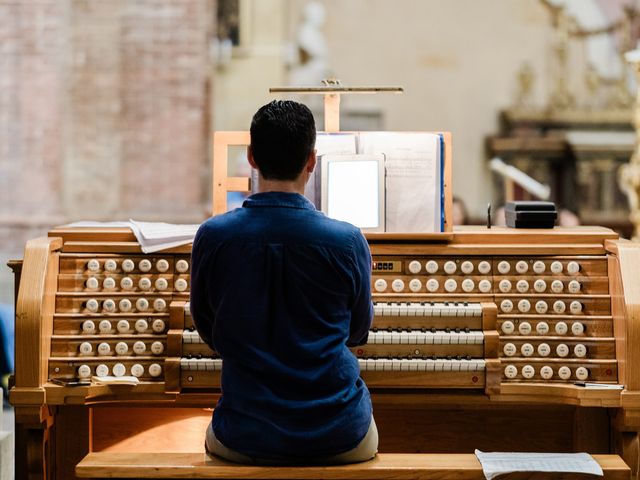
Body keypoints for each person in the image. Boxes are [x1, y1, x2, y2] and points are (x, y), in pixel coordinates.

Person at [190, 100, 377, 465]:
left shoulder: (213, 236)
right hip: (339, 433)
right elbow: (357, 331)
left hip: (244, 432)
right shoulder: (348, 240)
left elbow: (208, 329)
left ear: (251, 158)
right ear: (311, 160)